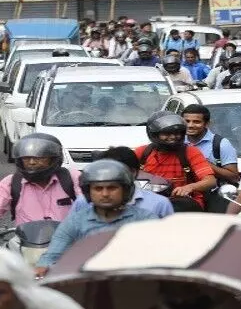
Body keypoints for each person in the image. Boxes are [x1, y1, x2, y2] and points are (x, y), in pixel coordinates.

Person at [35, 160, 163, 278]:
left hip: (135, 283)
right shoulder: (75, 221)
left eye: (112, 188)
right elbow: (53, 255)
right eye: (98, 188)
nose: (105, 194)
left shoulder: (146, 219)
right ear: (88, 192)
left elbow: (162, 255)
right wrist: (43, 269)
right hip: (88, 285)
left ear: (125, 191)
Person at [136, 111, 217, 212]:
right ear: (154, 134)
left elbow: (210, 181)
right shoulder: (142, 152)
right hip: (149, 203)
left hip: (183, 204)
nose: (173, 137)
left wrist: (189, 187)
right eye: (166, 133)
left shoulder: (190, 151)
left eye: (177, 133)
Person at [0, 134, 80, 224]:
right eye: (26, 158)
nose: (32, 162)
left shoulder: (72, 177)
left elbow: (90, 208)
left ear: (53, 159)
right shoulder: (11, 182)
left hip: (67, 236)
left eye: (39, 158)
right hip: (26, 237)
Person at [180, 104, 241, 190]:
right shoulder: (177, 141)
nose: (190, 125)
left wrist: (203, 164)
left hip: (212, 195)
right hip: (183, 193)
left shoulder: (221, 144)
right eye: (187, 121)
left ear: (207, 124)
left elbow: (234, 177)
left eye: (196, 122)